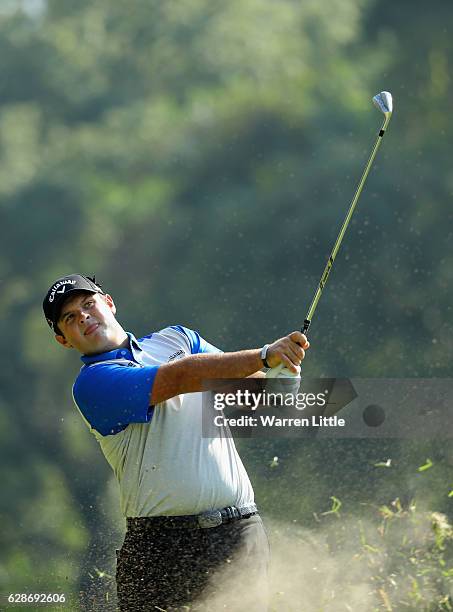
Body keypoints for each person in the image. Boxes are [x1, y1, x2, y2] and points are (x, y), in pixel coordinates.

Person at [43, 273, 310, 611]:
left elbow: (253, 398)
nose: (83, 316)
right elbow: (180, 377)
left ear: (108, 302)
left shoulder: (178, 339)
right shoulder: (92, 384)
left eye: (87, 303)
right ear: (63, 340)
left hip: (238, 533)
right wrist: (264, 356)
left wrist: (283, 374)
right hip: (160, 548)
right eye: (69, 317)